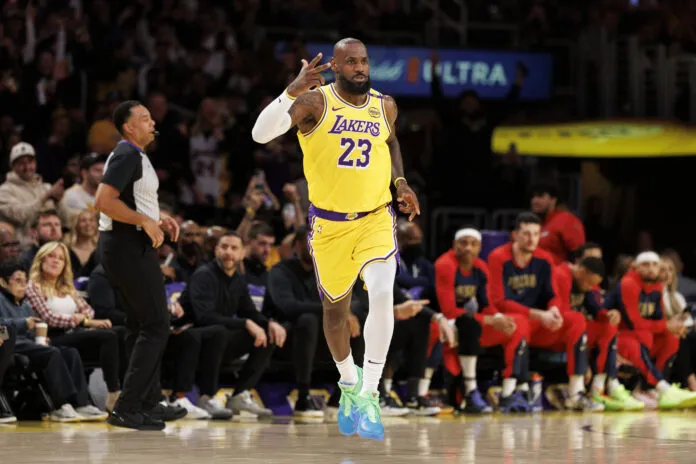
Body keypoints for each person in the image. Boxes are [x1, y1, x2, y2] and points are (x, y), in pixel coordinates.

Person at [252, 38, 420, 440]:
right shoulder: (315, 103)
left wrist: (400, 181)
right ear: (336, 66)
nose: (360, 67)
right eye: (350, 62)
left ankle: (371, 390)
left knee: (382, 293)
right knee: (335, 314)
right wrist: (292, 89)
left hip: (376, 218)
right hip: (329, 225)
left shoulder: (386, 105)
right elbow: (260, 135)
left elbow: (391, 141)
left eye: (364, 61)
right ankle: (348, 383)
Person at [94, 100, 186, 430]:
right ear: (129, 128)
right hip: (126, 246)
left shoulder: (138, 156)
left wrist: (156, 217)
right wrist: (145, 223)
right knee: (157, 324)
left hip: (129, 243)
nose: (152, 122)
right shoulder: (126, 153)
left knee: (140, 325)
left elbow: (130, 199)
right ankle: (127, 406)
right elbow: (103, 201)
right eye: (144, 119)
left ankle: (147, 402)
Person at [487, 212, 595, 411]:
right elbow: (499, 301)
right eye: (526, 234)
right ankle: (510, 391)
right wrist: (539, 315)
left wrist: (554, 310)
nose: (532, 239)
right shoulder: (498, 258)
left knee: (577, 319)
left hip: (537, 325)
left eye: (536, 234)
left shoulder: (545, 259)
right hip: (507, 323)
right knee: (519, 321)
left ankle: (576, 392)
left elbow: (552, 294)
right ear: (515, 235)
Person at [178, 231, 285, 418]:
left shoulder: (238, 279)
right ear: (216, 250)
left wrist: (270, 324)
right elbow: (204, 317)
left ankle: (239, 395)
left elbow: (249, 311)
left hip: (219, 341)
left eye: (234, 248)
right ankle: (206, 397)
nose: (228, 252)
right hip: (191, 339)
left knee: (269, 336)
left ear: (242, 253)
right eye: (224, 247)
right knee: (218, 332)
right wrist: (246, 323)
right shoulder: (203, 275)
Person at [435, 228, 532, 414]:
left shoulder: (480, 267)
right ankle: (471, 391)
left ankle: (510, 390)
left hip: (469, 322)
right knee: (469, 324)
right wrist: (488, 320)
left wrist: (498, 317)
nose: (468, 248)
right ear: (454, 245)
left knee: (518, 323)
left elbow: (486, 304)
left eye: (473, 244)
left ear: (480, 247)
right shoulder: (445, 264)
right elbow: (449, 310)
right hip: (442, 322)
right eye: (463, 243)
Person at [0, 259, 108, 422]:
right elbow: (2, 329)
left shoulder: (26, 305)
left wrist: (39, 337)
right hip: (9, 345)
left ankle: (81, 403)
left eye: (25, 281)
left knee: (70, 352)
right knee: (51, 353)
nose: (23, 286)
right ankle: (61, 404)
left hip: (28, 345)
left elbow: (30, 332)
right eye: (18, 281)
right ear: (3, 282)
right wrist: (23, 324)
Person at [24, 241, 122, 412]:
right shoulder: (33, 286)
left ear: (65, 265)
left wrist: (82, 320)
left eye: (61, 259)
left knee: (118, 333)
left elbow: (89, 311)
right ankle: (113, 392)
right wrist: (80, 320)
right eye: (51, 256)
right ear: (41, 259)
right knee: (109, 335)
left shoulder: (67, 288)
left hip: (72, 335)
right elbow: (49, 318)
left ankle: (85, 402)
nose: (56, 261)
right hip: (47, 337)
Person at [605, 251, 696, 409]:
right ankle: (663, 387)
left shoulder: (656, 287)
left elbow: (658, 320)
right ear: (636, 267)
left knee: (671, 337)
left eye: (654, 265)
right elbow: (633, 323)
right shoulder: (628, 283)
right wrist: (665, 325)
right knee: (637, 341)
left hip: (642, 336)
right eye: (646, 265)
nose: (651, 269)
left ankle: (649, 388)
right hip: (619, 337)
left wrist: (672, 326)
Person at [555, 257, 643, 410]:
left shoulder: (582, 282)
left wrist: (608, 314)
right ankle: (576, 393)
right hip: (552, 329)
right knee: (577, 320)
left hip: (572, 331)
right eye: (589, 283)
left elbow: (594, 308)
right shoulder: (561, 276)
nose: (590, 288)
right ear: (581, 271)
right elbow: (559, 314)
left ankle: (599, 387)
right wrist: (583, 363)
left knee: (608, 326)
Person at [0, 142, 68, 246]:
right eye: (22, 163)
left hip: (53, 246)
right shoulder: (5, 191)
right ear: (13, 166)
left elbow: (65, 220)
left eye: (30, 162)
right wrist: (44, 197)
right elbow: (20, 216)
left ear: (35, 163)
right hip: (23, 250)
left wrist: (59, 201)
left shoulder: (46, 187)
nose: (27, 167)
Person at [530, 183, 585, 265]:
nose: (534, 201)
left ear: (553, 200)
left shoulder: (566, 220)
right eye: (533, 197)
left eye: (540, 196)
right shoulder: (534, 224)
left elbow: (579, 254)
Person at [59, 153, 105, 218]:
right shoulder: (71, 195)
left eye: (104, 171)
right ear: (84, 173)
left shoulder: (107, 196)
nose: (102, 174)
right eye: (97, 170)